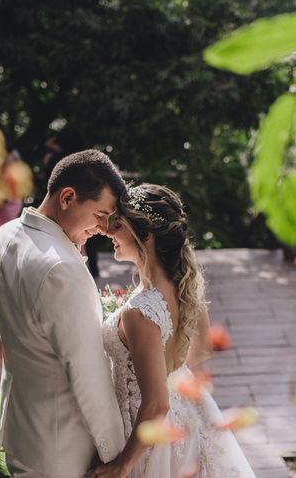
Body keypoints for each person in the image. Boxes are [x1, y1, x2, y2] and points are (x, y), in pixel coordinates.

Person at [93, 183, 254, 478]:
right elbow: (202, 348)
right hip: (189, 416)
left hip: (148, 432)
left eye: (119, 224)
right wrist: (166, 369)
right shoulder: (182, 286)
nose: (110, 231)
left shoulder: (139, 312)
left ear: (146, 236)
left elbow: (156, 403)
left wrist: (122, 464)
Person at [0, 149, 126, 477]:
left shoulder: (2, 238)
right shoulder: (61, 268)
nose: (105, 228)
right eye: (101, 214)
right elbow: (88, 375)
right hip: (62, 447)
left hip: (21, 430)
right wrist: (117, 457)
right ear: (67, 198)